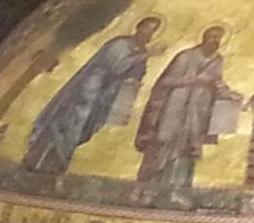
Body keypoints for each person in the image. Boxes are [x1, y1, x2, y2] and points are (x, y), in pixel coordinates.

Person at [23, 17, 165, 174]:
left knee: (85, 128)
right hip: (90, 90)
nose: (149, 33)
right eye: (148, 28)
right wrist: (147, 55)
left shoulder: (141, 50)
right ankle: (40, 161)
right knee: (70, 124)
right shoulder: (121, 43)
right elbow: (117, 66)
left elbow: (135, 74)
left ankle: (56, 164)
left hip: (106, 95)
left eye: (153, 30)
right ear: (138, 27)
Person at [135, 26, 242, 187]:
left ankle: (180, 186)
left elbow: (217, 83)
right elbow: (166, 81)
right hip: (175, 107)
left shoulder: (217, 60)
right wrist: (194, 80)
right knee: (164, 143)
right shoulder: (185, 57)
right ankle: (148, 183)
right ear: (204, 38)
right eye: (212, 37)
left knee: (187, 150)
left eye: (218, 38)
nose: (215, 41)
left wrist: (229, 93)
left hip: (197, 112)